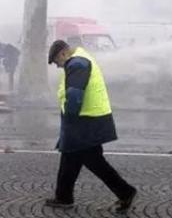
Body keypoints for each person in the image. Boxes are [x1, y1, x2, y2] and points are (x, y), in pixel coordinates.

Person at [45, 40, 137, 213]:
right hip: (87, 120)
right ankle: (63, 197)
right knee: (70, 157)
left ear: (63, 53)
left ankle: (126, 192)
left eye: (57, 62)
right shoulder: (81, 59)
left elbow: (74, 94)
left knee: (93, 161)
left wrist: (71, 116)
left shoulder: (77, 64)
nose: (58, 66)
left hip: (85, 122)